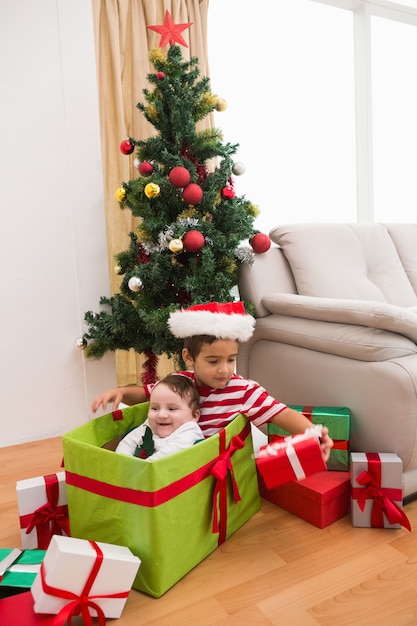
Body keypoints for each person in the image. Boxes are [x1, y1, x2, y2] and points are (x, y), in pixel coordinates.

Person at [92, 301, 333, 460]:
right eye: (213, 361)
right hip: (173, 461)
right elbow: (148, 393)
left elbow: (283, 414)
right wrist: (122, 393)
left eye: (231, 360)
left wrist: (313, 433)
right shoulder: (178, 382)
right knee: (125, 441)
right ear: (189, 358)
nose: (224, 370)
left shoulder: (243, 390)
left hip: (211, 466)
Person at [115, 373, 203, 461]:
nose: (161, 415)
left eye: (171, 409)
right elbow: (128, 443)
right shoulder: (149, 425)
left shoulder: (190, 430)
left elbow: (170, 454)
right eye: (155, 408)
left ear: (194, 416)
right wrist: (123, 462)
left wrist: (144, 467)